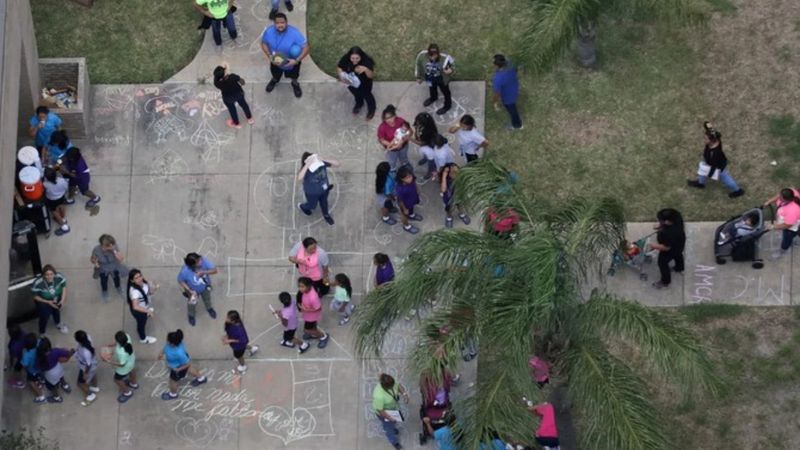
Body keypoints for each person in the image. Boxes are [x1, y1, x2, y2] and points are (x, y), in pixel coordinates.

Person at [687, 122, 745, 198]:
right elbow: (710, 129)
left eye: (706, 139)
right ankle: (700, 183)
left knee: (726, 179)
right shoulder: (716, 139)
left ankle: (738, 191)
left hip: (718, 167)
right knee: (702, 170)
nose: (704, 140)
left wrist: (710, 174)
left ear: (711, 141)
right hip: (710, 162)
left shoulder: (714, 154)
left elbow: (713, 167)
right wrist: (707, 125)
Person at [260, 13, 309, 98]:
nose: (280, 25)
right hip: (275, 60)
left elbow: (307, 47)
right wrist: (269, 55)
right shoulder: (268, 32)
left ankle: (295, 84)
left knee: (294, 75)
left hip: (292, 62)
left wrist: (296, 60)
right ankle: (275, 80)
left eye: (282, 22)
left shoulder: (294, 33)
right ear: (274, 23)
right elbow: (264, 43)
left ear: (286, 22)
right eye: (277, 23)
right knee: (275, 74)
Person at [159, 330, 208, 400]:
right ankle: (201, 378)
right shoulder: (174, 342)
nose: (167, 341)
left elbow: (188, 363)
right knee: (189, 369)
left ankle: (173, 394)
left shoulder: (179, 353)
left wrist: (178, 370)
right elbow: (166, 348)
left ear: (172, 343)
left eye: (168, 340)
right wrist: (161, 353)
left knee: (173, 381)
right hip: (181, 361)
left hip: (178, 366)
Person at [297, 152, 339, 226]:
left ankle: (326, 215)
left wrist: (323, 159)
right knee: (312, 206)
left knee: (324, 203)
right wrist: (307, 165)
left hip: (324, 190)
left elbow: (337, 164)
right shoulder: (306, 170)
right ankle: (302, 206)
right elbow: (299, 177)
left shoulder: (321, 164)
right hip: (312, 193)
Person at [177, 252, 219, 326]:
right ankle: (191, 315)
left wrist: (204, 272)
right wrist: (189, 290)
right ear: (192, 265)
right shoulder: (184, 271)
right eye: (198, 262)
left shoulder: (203, 260)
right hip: (193, 291)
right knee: (192, 304)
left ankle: (209, 308)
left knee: (207, 299)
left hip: (205, 287)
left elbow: (215, 270)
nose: (201, 262)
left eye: (199, 259)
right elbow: (181, 281)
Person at [336, 46, 376, 120]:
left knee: (368, 96)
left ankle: (371, 109)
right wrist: (341, 76)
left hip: (365, 84)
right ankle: (359, 104)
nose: (354, 61)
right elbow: (339, 67)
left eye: (357, 58)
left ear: (361, 56)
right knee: (356, 95)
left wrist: (366, 69)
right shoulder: (346, 58)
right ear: (349, 56)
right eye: (352, 58)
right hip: (351, 83)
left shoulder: (366, 61)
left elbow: (370, 76)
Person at [372, 373, 409, 450]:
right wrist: (389, 418)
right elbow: (380, 410)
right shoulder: (379, 395)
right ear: (386, 387)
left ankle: (393, 427)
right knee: (389, 428)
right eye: (391, 386)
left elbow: (399, 386)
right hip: (385, 413)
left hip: (393, 408)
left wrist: (405, 394)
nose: (393, 386)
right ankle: (394, 442)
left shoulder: (390, 380)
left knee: (393, 422)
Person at [415, 44, 455, 115]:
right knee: (431, 88)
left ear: (438, 53)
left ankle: (447, 105)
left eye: (434, 55)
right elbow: (418, 65)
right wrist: (418, 77)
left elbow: (453, 65)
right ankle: (433, 97)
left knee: (446, 92)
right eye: (430, 55)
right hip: (429, 77)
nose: (432, 57)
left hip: (441, 78)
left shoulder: (445, 58)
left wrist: (451, 70)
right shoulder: (421, 56)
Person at [651, 208, 686, 289]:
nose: (659, 221)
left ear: (667, 221)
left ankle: (665, 282)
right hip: (680, 242)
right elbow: (667, 224)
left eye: (660, 220)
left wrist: (653, 246)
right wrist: (660, 226)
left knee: (662, 263)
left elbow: (666, 248)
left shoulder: (669, 233)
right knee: (678, 254)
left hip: (671, 249)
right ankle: (679, 267)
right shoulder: (677, 217)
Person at [101, 331, 138, 403]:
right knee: (132, 371)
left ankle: (127, 393)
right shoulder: (127, 337)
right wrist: (110, 345)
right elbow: (117, 343)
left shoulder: (121, 352)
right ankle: (134, 384)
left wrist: (108, 361)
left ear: (119, 341)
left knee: (117, 380)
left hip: (124, 368)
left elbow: (122, 364)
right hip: (131, 361)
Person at [764, 187, 800, 260]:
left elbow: (788, 225)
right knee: (798, 232)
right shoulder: (791, 192)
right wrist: (769, 201)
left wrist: (773, 227)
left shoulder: (792, 211)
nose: (778, 197)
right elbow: (778, 195)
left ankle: (782, 251)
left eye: (780, 197)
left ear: (785, 199)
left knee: (786, 240)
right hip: (794, 221)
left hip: (790, 228)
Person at [213, 63, 253, 129]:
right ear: (224, 73)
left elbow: (216, 78)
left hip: (228, 98)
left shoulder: (217, 83)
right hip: (239, 94)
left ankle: (237, 124)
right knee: (244, 105)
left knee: (232, 110)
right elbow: (243, 82)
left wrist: (222, 73)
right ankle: (250, 119)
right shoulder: (232, 77)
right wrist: (227, 71)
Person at [32, 264, 68, 334]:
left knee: (56, 310)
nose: (49, 277)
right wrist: (48, 302)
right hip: (43, 301)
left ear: (54, 274)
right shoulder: (38, 283)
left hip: (56, 298)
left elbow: (64, 287)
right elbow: (35, 296)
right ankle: (42, 332)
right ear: (43, 275)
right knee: (44, 316)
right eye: (47, 275)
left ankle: (58, 324)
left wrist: (62, 300)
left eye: (51, 274)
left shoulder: (59, 277)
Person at [35, 337, 72, 403]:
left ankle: (57, 398)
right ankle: (65, 385)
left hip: (50, 374)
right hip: (58, 368)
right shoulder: (55, 351)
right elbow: (67, 353)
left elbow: (39, 369)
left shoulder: (40, 359)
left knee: (52, 386)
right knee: (61, 377)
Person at [127, 269, 158, 344]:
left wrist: (154, 289)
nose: (140, 279)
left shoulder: (142, 282)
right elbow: (135, 306)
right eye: (136, 278)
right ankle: (143, 339)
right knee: (141, 324)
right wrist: (148, 311)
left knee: (143, 320)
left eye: (140, 276)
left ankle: (147, 313)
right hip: (139, 312)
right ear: (132, 280)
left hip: (144, 307)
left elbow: (147, 293)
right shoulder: (135, 292)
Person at [492, 54, 522, 130]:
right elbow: (516, 69)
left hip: (508, 97)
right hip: (514, 87)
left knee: (512, 111)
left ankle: (517, 125)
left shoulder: (498, 78)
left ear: (497, 66)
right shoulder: (511, 63)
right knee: (512, 106)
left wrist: (495, 102)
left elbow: (497, 93)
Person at [91, 234, 126, 300]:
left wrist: (114, 251)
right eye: (108, 245)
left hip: (114, 268)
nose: (111, 246)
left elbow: (121, 259)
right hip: (103, 269)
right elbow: (92, 259)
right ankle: (104, 292)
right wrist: (95, 262)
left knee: (116, 279)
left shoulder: (114, 247)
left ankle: (118, 288)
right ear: (102, 245)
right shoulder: (96, 249)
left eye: (111, 244)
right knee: (103, 281)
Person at [378, 105, 412, 172]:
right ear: (384, 119)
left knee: (404, 156)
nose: (389, 120)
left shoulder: (400, 121)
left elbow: (410, 131)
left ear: (395, 115)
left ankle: (405, 163)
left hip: (403, 145)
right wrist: (393, 145)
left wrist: (401, 142)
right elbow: (382, 140)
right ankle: (393, 169)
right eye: (386, 118)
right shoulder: (382, 127)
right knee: (392, 160)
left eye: (391, 117)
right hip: (392, 149)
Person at [298, 277, 329, 348]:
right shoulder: (305, 291)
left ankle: (323, 336)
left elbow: (318, 308)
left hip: (312, 316)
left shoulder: (313, 297)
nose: (300, 289)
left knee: (307, 330)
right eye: (299, 286)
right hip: (308, 315)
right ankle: (313, 333)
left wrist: (306, 310)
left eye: (302, 286)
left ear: (308, 286)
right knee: (311, 328)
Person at [73, 330, 100, 407]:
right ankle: (95, 387)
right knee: (93, 374)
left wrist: (85, 373)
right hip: (93, 364)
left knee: (80, 383)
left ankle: (90, 395)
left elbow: (88, 364)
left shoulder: (86, 352)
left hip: (86, 367)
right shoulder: (88, 337)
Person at [439, 163, 470, 228]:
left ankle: (462, 214)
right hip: (448, 197)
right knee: (449, 209)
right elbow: (443, 190)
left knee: (460, 205)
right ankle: (449, 217)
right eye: (453, 173)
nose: (456, 175)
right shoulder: (446, 178)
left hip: (458, 195)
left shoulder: (460, 177)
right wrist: (444, 175)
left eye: (457, 173)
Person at [42, 167, 70, 236]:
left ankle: (64, 227)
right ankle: (63, 218)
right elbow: (66, 188)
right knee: (62, 207)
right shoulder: (62, 180)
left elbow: (44, 192)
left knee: (54, 212)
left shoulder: (45, 184)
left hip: (52, 199)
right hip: (61, 197)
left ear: (46, 177)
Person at [395, 166, 423, 234]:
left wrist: (417, 189)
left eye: (410, 176)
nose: (410, 179)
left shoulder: (412, 179)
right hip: (404, 204)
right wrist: (404, 209)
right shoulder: (400, 189)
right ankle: (407, 226)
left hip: (412, 198)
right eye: (406, 178)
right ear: (401, 179)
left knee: (411, 207)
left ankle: (411, 215)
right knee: (404, 215)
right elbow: (400, 200)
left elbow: (414, 182)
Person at [21, 333, 46, 403]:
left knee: (31, 382)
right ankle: (41, 382)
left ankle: (41, 396)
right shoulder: (38, 347)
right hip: (40, 367)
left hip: (32, 371)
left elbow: (25, 364)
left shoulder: (27, 355)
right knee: (39, 375)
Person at [6, 325, 26, 389]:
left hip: (20, 359)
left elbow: (13, 356)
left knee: (16, 370)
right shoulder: (23, 333)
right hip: (24, 356)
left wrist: (12, 364)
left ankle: (18, 381)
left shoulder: (14, 347)